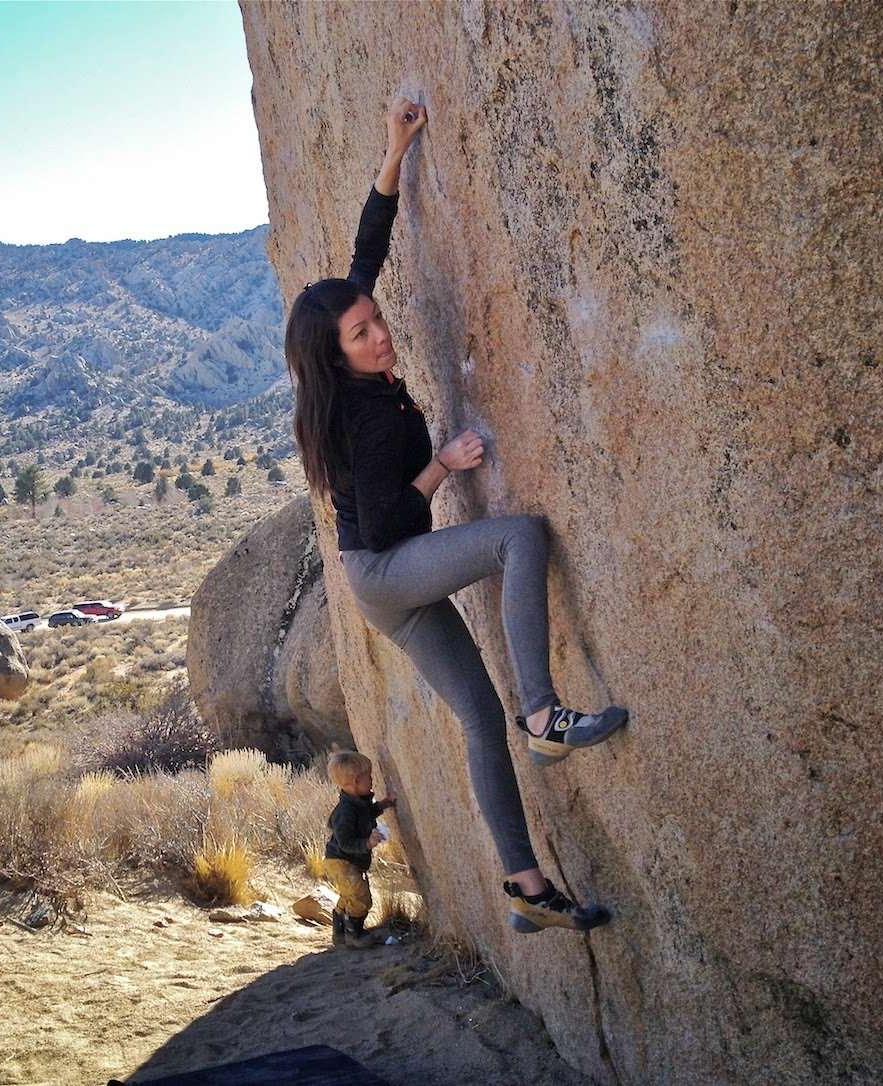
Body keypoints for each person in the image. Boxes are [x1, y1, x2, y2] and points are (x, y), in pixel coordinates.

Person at [284, 96, 630, 934]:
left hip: (381, 585)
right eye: (362, 335)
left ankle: (525, 889)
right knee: (519, 536)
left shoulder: (350, 342)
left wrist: (394, 149)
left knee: (479, 718)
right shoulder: (360, 420)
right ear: (338, 357)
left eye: (374, 322)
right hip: (388, 568)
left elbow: (368, 250)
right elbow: (397, 524)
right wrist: (445, 462)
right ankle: (545, 713)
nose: (380, 334)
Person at [323, 750, 397, 949]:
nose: (372, 780)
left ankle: (340, 933)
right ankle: (355, 935)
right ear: (356, 781)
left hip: (343, 861)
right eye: (369, 777)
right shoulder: (345, 811)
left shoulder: (358, 803)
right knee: (360, 897)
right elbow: (345, 842)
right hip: (341, 861)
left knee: (349, 895)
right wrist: (366, 843)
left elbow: (368, 812)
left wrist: (385, 804)